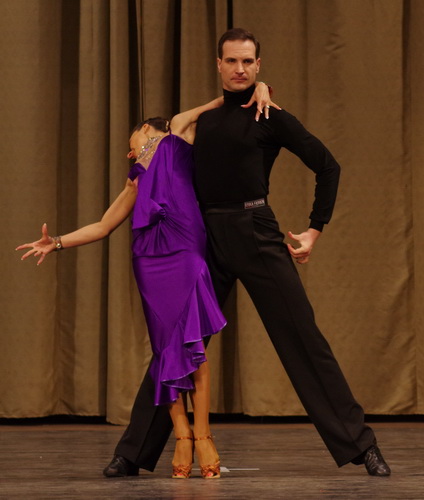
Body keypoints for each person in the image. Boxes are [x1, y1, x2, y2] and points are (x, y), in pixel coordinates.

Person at [101, 28, 391, 478]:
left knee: (303, 338)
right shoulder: (203, 121)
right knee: (176, 345)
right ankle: (133, 452)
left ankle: (361, 445)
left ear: (258, 65)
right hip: (205, 239)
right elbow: (173, 129)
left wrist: (315, 229)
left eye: (248, 62)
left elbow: (328, 166)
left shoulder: (271, 116)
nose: (240, 68)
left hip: (255, 232)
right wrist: (234, 97)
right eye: (232, 61)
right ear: (218, 65)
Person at [15, 85, 278, 480]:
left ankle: (204, 435)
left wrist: (259, 87)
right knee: (166, 349)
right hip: (149, 265)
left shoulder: (178, 137)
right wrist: (56, 242)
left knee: (194, 347)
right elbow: (103, 226)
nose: (129, 153)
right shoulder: (135, 181)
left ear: (148, 131)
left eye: (131, 144)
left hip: (186, 254)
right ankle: (182, 436)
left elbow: (219, 102)